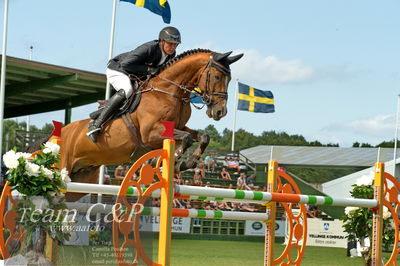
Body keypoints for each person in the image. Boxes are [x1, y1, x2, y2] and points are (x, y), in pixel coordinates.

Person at [87, 26, 181, 142]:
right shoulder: (149, 48)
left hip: (135, 75)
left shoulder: (171, 55)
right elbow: (126, 64)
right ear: (162, 41)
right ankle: (96, 124)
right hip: (118, 69)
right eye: (170, 44)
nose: (173, 47)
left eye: (175, 44)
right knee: (127, 90)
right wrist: (150, 70)